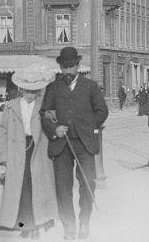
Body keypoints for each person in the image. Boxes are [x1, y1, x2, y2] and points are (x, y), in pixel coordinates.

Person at [41, 46, 108, 240]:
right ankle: (69, 226)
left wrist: (88, 127)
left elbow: (102, 111)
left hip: (85, 144)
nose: (68, 71)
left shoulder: (91, 86)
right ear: (60, 68)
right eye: (64, 68)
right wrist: (54, 129)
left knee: (88, 184)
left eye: (71, 67)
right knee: (63, 188)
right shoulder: (53, 88)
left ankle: (85, 221)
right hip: (61, 146)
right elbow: (44, 114)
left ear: (78, 66)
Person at [0, 57, 60, 238]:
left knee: (37, 187)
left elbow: (52, 126)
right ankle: (25, 226)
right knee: (21, 189)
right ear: (21, 89)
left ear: (39, 90)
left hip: (38, 151)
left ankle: (37, 225)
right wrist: (3, 157)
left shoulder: (45, 107)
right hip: (18, 152)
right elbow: (3, 132)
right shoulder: (11, 107)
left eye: (34, 91)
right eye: (26, 91)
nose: (29, 95)